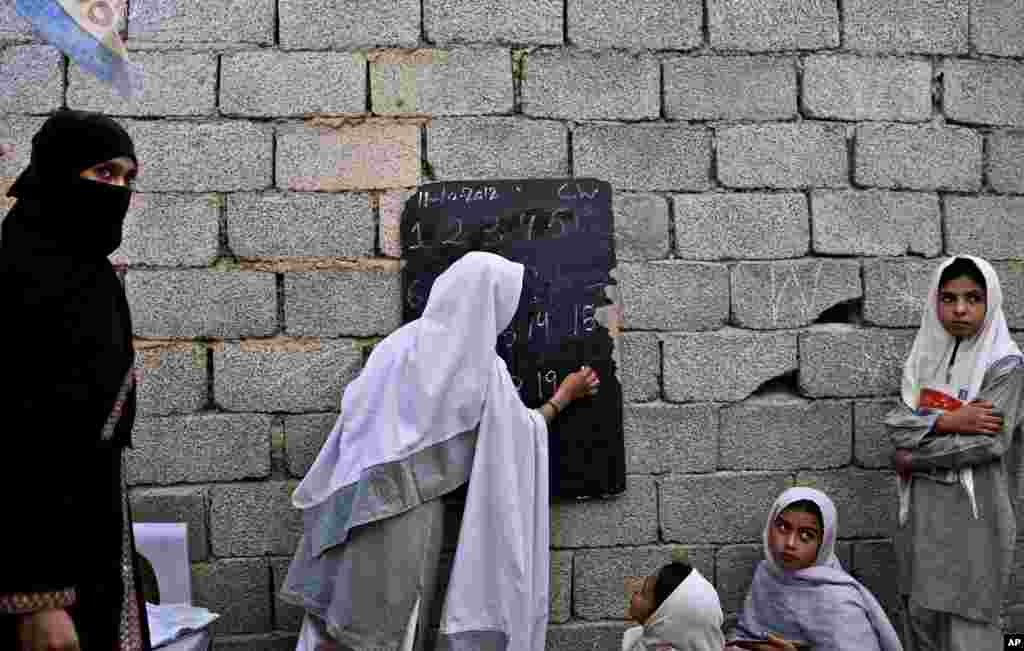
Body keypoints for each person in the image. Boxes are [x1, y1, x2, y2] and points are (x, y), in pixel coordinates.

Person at [280, 250, 600, 651]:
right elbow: (520, 436)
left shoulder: (397, 344)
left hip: (351, 503)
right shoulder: (480, 365)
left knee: (335, 622)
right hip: (407, 518)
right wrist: (563, 397)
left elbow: (355, 415)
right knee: (387, 629)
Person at [0, 109, 149, 651]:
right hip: (43, 570)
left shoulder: (84, 270)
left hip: (90, 534)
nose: (119, 189)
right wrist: (39, 596)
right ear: (59, 173)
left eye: (128, 177)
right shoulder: (26, 274)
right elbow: (19, 442)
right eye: (104, 173)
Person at [887, 255, 1024, 650]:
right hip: (925, 515)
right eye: (948, 298)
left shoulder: (1006, 365)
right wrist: (948, 421)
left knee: (970, 625)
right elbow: (896, 425)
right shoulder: (924, 359)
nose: (960, 309)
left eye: (973, 298)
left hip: (976, 519)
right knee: (923, 617)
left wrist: (916, 458)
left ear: (990, 302)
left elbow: (987, 441)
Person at [729, 487, 903, 651]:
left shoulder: (839, 602)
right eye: (783, 528)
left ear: (823, 543)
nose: (790, 543)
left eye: (806, 535)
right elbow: (745, 633)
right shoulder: (767, 574)